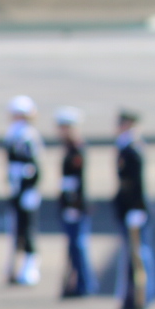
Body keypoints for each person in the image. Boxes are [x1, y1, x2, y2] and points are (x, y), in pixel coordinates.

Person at [114, 107, 155, 309]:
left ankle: (142, 296)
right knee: (136, 254)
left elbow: (136, 184)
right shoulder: (126, 146)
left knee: (139, 255)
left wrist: (136, 208)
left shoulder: (132, 148)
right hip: (131, 208)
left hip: (135, 208)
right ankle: (137, 296)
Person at [5, 96, 44, 286]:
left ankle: (31, 266)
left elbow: (33, 167)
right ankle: (21, 266)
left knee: (28, 230)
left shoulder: (27, 136)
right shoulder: (15, 134)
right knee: (19, 230)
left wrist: (28, 188)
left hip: (26, 190)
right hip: (17, 189)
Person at [55, 107, 93, 298]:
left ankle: (84, 284)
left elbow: (78, 182)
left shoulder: (77, 149)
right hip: (69, 204)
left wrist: (74, 205)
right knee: (73, 247)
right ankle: (77, 283)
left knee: (78, 246)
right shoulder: (70, 148)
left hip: (75, 206)